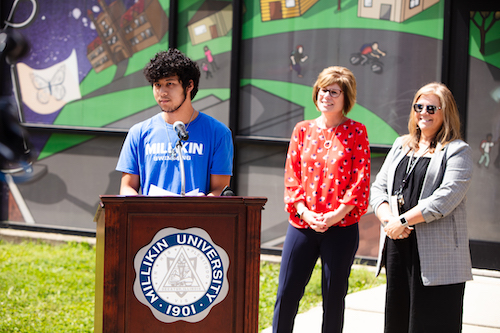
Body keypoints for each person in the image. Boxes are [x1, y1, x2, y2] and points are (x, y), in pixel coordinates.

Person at [272, 66, 371, 333]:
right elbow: (292, 175)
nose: (326, 96)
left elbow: (360, 180)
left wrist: (334, 216)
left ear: (345, 97)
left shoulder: (357, 132)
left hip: (341, 228)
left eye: (334, 92)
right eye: (323, 90)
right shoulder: (302, 130)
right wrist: (305, 212)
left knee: (333, 297)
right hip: (302, 225)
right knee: (287, 293)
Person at [370, 82, 473, 333]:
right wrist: (388, 222)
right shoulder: (401, 144)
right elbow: (378, 189)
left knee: (433, 322)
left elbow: (445, 199)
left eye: (431, 108)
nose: (423, 113)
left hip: (438, 253)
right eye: (419, 106)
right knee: (398, 319)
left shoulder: (457, 151)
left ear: (445, 112)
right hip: (399, 245)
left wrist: (402, 221)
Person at [116, 48, 233, 196]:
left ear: (189, 86)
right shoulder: (138, 133)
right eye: (157, 85)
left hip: (196, 218)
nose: (162, 92)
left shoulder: (218, 133)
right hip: (150, 218)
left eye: (170, 84)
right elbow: (127, 187)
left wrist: (202, 203)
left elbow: (220, 189)